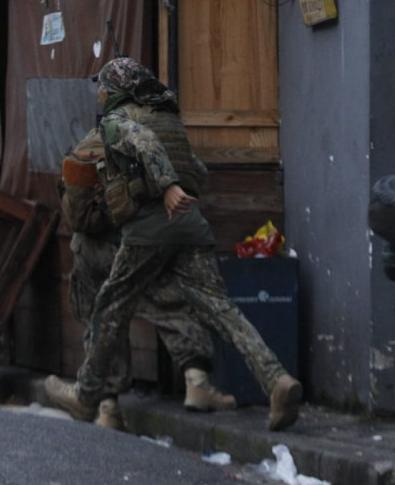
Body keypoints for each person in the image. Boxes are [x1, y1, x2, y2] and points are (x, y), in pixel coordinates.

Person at [45, 57, 302, 432]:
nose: (98, 94)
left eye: (102, 87)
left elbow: (143, 145)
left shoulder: (117, 123)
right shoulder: (169, 120)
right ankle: (277, 380)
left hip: (149, 231)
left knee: (108, 309)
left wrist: (164, 187)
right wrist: (175, 187)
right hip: (192, 229)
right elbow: (198, 172)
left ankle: (87, 397)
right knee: (223, 311)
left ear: (115, 91)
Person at [52, 128, 237, 430]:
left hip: (88, 249)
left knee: (104, 320)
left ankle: (109, 407)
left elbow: (69, 187)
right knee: (169, 302)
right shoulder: (153, 131)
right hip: (136, 245)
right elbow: (195, 176)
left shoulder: (93, 136)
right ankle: (197, 382)